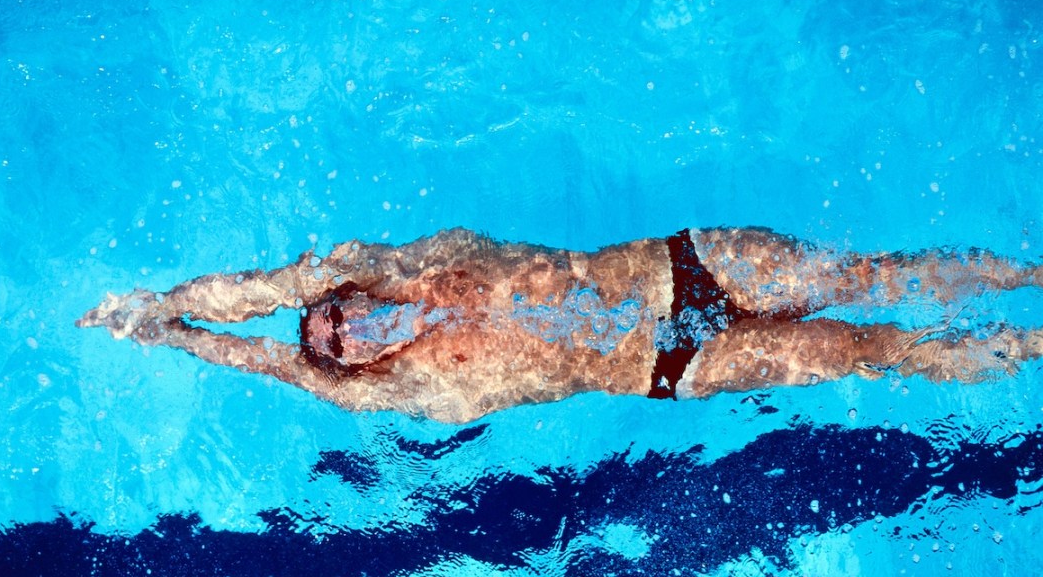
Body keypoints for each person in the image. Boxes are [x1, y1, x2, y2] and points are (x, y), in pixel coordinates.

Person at [78, 227, 1043, 423]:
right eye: (339, 350)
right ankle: (1031, 344)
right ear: (352, 368)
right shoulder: (415, 388)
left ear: (349, 299)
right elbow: (269, 359)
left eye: (335, 318)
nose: (347, 332)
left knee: (863, 274)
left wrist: (161, 300)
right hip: (672, 363)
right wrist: (181, 343)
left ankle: (1033, 272)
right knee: (878, 352)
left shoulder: (409, 263)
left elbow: (271, 287)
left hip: (680, 263)